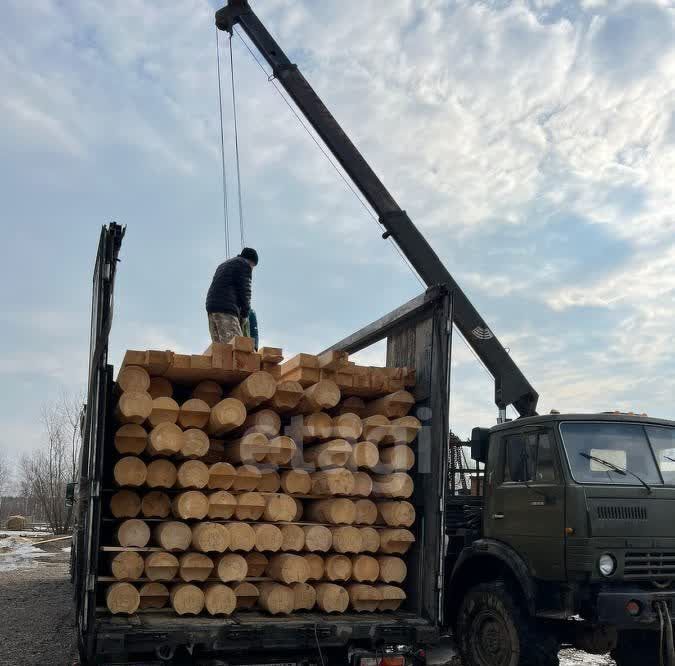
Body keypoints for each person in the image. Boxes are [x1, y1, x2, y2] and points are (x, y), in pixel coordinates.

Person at [206, 247, 259, 344]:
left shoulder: (223, 265)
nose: (252, 269)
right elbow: (245, 292)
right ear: (251, 261)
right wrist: (244, 315)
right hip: (226, 310)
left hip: (211, 309)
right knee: (237, 347)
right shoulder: (244, 265)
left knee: (221, 350)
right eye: (253, 266)